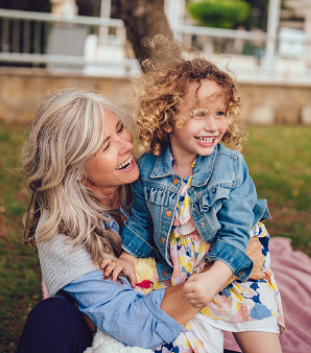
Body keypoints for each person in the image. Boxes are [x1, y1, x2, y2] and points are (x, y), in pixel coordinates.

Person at [16, 89, 265, 353]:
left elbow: (231, 226)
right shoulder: (60, 232)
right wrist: (223, 272)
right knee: (51, 317)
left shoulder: (154, 183)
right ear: (74, 168)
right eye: (106, 145)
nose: (126, 145)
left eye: (120, 129)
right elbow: (135, 324)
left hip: (177, 326)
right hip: (114, 338)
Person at [104, 38, 285, 353]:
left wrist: (217, 277)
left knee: (264, 347)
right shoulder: (148, 168)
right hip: (183, 275)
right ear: (169, 115)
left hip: (234, 268)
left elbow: (237, 229)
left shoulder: (231, 167)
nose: (213, 125)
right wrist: (128, 259)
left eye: (220, 113)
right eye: (200, 114)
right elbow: (142, 220)